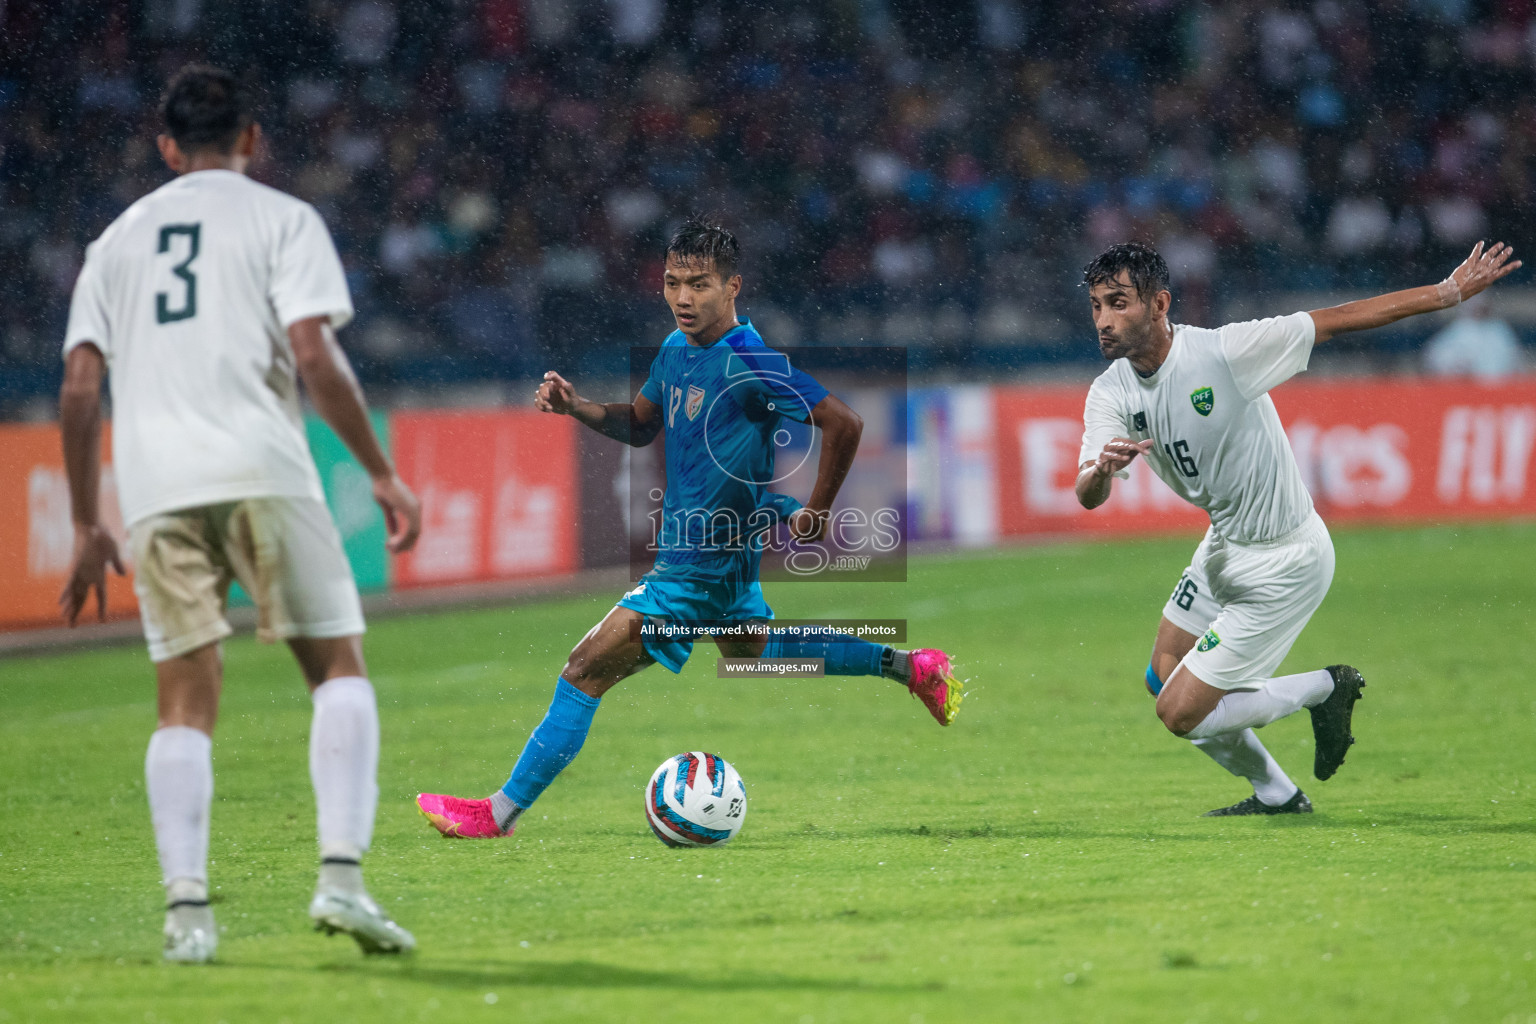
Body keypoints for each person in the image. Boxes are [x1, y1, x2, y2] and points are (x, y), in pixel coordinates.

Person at [416, 216, 963, 840]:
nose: (682, 298)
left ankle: (498, 814)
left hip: (697, 566)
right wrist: (578, 408)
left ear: (732, 286)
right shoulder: (676, 350)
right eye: (673, 282)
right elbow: (643, 422)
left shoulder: (751, 359)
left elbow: (844, 422)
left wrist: (816, 510)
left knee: (584, 669)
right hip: (722, 553)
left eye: (699, 284)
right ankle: (908, 667)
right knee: (750, 649)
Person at [58, 66, 422, 962]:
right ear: (252, 138)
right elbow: (313, 353)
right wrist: (378, 470)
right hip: (262, 466)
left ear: (167, 147)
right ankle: (341, 880)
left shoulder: (114, 243)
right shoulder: (283, 219)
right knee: (337, 666)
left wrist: (84, 520)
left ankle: (188, 917)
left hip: (155, 488)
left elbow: (78, 386)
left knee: (183, 701)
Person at [1075, 240, 1519, 816]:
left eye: (1118, 303)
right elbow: (1087, 491)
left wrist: (1447, 293)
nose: (1104, 321)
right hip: (1225, 543)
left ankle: (1325, 689)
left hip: (1286, 558)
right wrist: (1103, 471)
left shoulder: (1225, 353)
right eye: (1095, 306)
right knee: (1162, 678)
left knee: (1179, 713)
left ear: (1159, 304)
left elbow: (1335, 321)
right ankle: (1278, 795)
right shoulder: (1110, 390)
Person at [1422, 294, 1525, 380]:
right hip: (1467, 391)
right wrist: (1456, 367)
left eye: (1482, 305)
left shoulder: (1499, 328)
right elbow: (1434, 356)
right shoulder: (1459, 328)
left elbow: (1515, 358)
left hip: (1500, 390)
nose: (1479, 308)